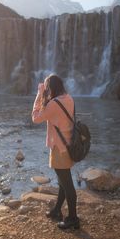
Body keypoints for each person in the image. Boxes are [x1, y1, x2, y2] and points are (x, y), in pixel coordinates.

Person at [31, 74, 79, 230]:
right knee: (62, 183)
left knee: (67, 184)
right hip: (68, 145)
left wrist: (39, 94)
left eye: (47, 87)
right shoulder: (68, 98)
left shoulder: (53, 104)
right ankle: (57, 210)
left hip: (59, 148)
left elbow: (36, 118)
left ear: (51, 88)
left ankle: (73, 219)